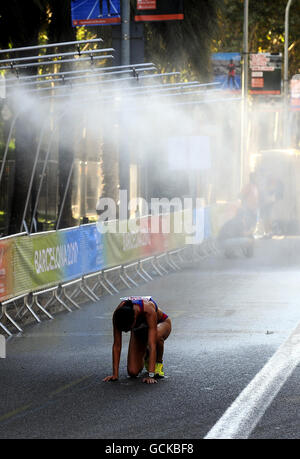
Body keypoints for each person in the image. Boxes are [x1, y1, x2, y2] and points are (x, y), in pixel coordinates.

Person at [103, 296, 171, 384]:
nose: (127, 332)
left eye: (128, 329)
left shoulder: (147, 309)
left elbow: (152, 344)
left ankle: (158, 364)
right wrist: (115, 375)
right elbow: (117, 345)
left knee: (156, 337)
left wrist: (151, 375)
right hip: (140, 331)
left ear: (135, 318)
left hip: (161, 324)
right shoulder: (118, 315)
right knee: (132, 372)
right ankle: (146, 354)